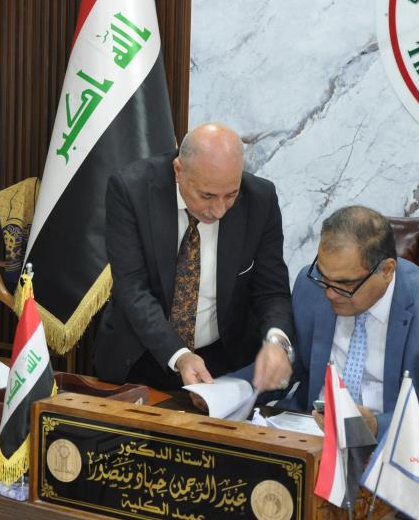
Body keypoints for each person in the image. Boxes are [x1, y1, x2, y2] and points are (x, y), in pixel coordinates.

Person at [94, 123, 296, 392]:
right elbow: (132, 290)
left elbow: (271, 290)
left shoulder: (260, 199)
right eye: (207, 196)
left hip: (222, 364)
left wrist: (277, 341)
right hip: (141, 358)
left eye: (231, 195)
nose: (219, 210)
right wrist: (180, 355)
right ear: (179, 171)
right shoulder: (132, 190)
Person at [281, 205, 419, 441]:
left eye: (345, 284)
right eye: (324, 276)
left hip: (394, 444)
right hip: (314, 436)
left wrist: (376, 426)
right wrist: (242, 386)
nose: (330, 293)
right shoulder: (311, 285)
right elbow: (287, 366)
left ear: (386, 270)